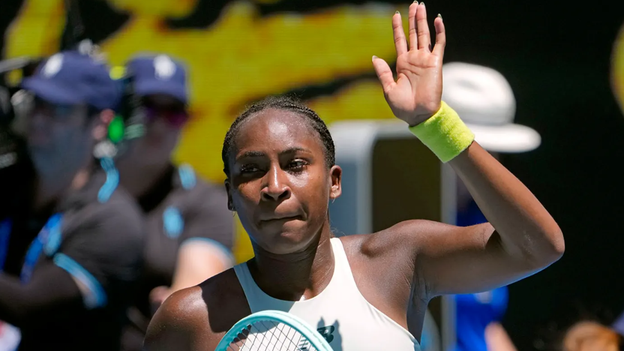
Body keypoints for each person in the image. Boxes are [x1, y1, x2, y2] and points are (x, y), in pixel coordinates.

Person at [144, 3, 565, 350]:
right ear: (231, 195)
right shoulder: (189, 319)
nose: (274, 186)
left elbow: (539, 247)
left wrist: (436, 124)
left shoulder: (399, 262)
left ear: (334, 181)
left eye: (295, 164)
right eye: (251, 171)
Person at [0, 50, 145, 351]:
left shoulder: (114, 222)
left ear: (99, 124)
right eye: (38, 103)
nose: (40, 118)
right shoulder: (10, 182)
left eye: (60, 108)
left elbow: (27, 306)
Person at [115, 54, 234, 351]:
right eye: (147, 108)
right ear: (119, 111)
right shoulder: (80, 187)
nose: (159, 124)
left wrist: (177, 308)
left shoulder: (205, 202)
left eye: (174, 112)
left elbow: (193, 309)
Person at [443, 62, 542, 351]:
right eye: (473, 151)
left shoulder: (485, 217)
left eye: (492, 151)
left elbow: (484, 323)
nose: (490, 164)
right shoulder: (389, 217)